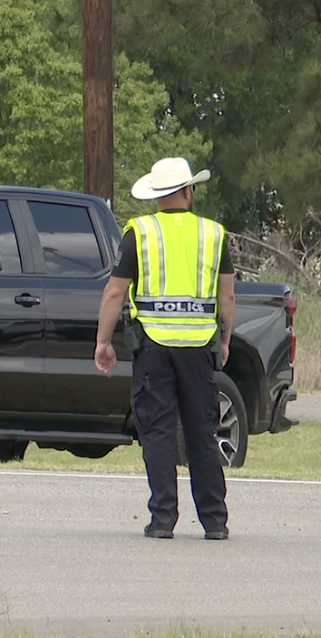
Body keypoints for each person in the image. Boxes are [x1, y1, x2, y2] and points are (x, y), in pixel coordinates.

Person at [94, 157, 235, 539]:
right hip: (198, 348)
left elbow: (114, 291)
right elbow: (227, 296)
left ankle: (162, 519)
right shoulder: (214, 234)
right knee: (201, 432)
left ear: (157, 196)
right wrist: (224, 339)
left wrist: (104, 341)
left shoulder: (139, 233)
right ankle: (215, 521)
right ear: (189, 192)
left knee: (156, 431)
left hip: (153, 345)